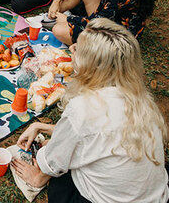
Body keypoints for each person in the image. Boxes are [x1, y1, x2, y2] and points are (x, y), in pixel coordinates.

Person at [11, 18, 168, 202]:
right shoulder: (139, 99)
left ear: (91, 66)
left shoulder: (84, 107)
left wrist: (38, 176)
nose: (71, 49)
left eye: (78, 49)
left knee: (61, 183)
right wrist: (42, 126)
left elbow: (53, 163)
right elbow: (101, 136)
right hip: (154, 196)